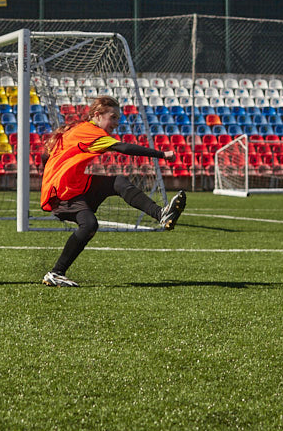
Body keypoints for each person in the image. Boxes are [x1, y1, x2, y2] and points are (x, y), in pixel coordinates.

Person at [40, 95, 186, 287]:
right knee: (89, 225)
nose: (117, 123)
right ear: (98, 115)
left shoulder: (79, 129)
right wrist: (161, 154)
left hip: (74, 185)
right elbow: (123, 147)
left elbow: (45, 154)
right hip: (62, 191)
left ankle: (161, 214)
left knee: (117, 182)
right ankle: (56, 273)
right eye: (114, 117)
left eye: (118, 118)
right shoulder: (90, 132)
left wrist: (53, 170)